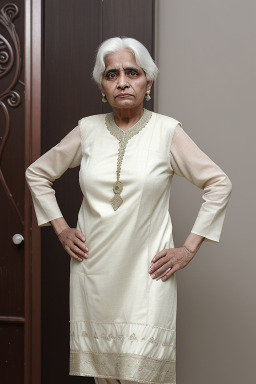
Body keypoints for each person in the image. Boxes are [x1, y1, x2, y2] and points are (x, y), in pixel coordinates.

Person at [25, 37, 232, 384]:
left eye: (132, 72)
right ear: (102, 85)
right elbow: (38, 173)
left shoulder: (167, 131)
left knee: (142, 376)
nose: (122, 81)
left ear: (148, 82)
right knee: (105, 376)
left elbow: (218, 183)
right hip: (95, 273)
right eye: (112, 74)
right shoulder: (87, 130)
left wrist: (188, 248)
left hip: (147, 276)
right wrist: (61, 228)